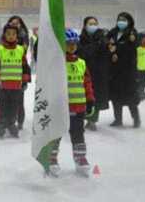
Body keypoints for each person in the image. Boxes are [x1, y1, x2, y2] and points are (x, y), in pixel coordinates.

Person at [48, 29, 95, 178]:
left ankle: (80, 158)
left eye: (74, 44)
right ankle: (51, 158)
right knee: (56, 134)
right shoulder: (57, 63)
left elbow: (87, 83)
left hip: (78, 106)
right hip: (60, 107)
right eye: (68, 44)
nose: (72, 47)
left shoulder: (81, 63)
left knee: (78, 134)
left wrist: (90, 100)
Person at [0, 23, 31, 138]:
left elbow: (25, 67)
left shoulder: (20, 50)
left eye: (13, 34)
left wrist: (25, 80)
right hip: (3, 86)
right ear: (4, 35)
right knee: (2, 105)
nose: (11, 36)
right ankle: (1, 124)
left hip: (17, 86)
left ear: (17, 36)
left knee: (14, 106)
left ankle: (11, 123)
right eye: (8, 34)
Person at [107, 12, 140, 128]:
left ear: (129, 21)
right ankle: (118, 119)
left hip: (128, 71)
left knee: (130, 97)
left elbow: (132, 47)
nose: (121, 22)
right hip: (115, 71)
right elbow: (107, 43)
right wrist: (111, 51)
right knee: (115, 97)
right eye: (119, 19)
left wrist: (117, 49)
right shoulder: (113, 32)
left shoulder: (132, 33)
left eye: (124, 20)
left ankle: (136, 119)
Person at [77, 16, 111, 131]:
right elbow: (82, 53)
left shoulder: (103, 38)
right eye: (90, 23)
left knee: (95, 97)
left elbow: (107, 54)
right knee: (82, 96)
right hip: (83, 71)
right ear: (85, 25)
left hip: (99, 73)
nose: (93, 26)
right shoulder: (80, 39)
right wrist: (96, 46)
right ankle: (81, 118)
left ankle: (92, 120)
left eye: (95, 23)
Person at [6, 15, 29, 130]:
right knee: (6, 101)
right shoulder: (5, 36)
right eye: (12, 22)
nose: (15, 24)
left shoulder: (24, 36)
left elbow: (24, 56)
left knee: (19, 100)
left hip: (19, 73)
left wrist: (25, 79)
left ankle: (19, 121)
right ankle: (7, 121)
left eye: (17, 23)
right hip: (6, 75)